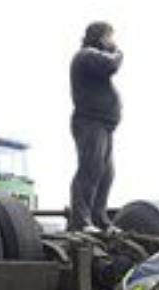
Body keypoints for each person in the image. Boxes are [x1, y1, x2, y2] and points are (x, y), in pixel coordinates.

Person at [69, 21, 123, 232]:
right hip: (90, 122)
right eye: (111, 37)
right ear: (101, 37)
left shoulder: (93, 57)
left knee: (106, 173)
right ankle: (80, 221)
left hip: (104, 125)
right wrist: (118, 51)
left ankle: (98, 218)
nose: (114, 41)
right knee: (90, 169)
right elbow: (112, 65)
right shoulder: (86, 55)